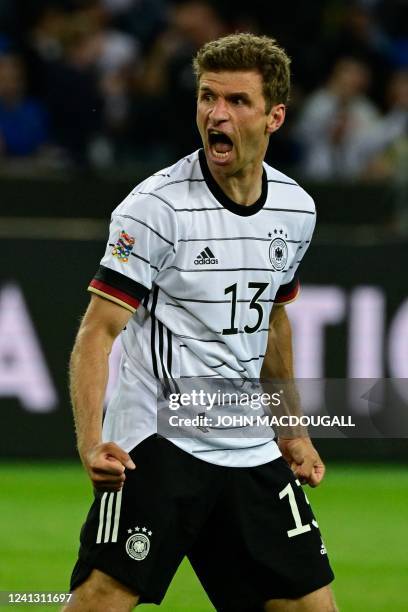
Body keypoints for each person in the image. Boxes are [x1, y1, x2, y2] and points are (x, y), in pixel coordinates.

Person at [64, 33, 337, 611]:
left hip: (248, 445)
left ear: (275, 117)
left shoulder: (297, 209)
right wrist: (92, 442)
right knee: (102, 597)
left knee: (310, 607)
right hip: (160, 442)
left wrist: (290, 429)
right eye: (207, 97)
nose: (217, 113)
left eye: (238, 101)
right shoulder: (157, 207)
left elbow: (274, 321)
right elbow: (98, 332)